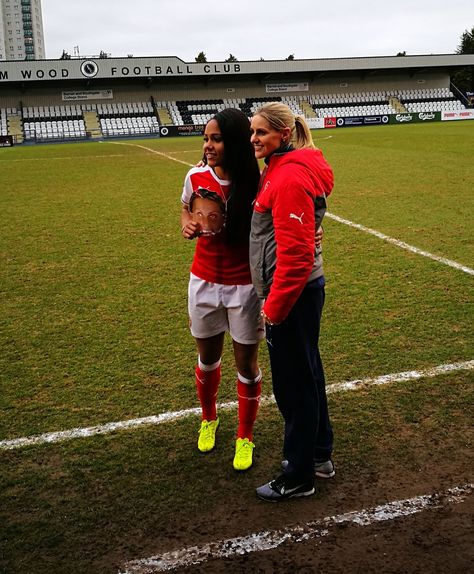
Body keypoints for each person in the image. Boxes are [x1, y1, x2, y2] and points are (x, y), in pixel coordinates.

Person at [249, 101, 335, 502]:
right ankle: (318, 455)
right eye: (252, 132)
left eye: (261, 132)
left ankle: (299, 474)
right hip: (300, 291)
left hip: (292, 295)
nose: (254, 139)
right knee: (309, 372)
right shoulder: (282, 170)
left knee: (294, 385)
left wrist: (274, 310)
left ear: (284, 134)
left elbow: (297, 256)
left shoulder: (286, 179)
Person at [180, 108, 264, 471]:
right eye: (205, 139)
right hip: (203, 282)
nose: (208, 146)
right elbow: (185, 206)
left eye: (215, 139)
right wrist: (188, 224)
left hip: (244, 286)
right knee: (208, 358)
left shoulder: (257, 180)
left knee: (245, 362)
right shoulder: (196, 175)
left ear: (233, 141)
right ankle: (208, 419)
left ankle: (244, 436)